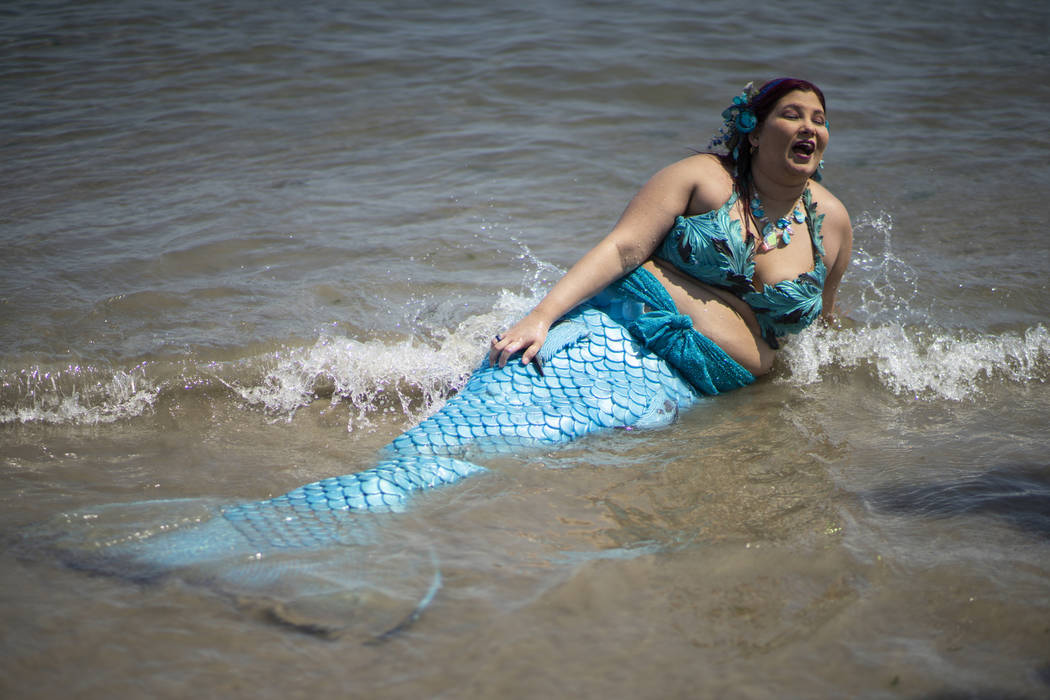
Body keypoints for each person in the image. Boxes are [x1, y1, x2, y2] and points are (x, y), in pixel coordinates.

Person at [490, 78, 852, 380]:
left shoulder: (833, 223)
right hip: (620, 339)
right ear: (754, 133)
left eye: (819, 120)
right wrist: (541, 316)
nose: (809, 127)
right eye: (792, 115)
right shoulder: (703, 178)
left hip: (708, 395)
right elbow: (622, 249)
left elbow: (822, 329)